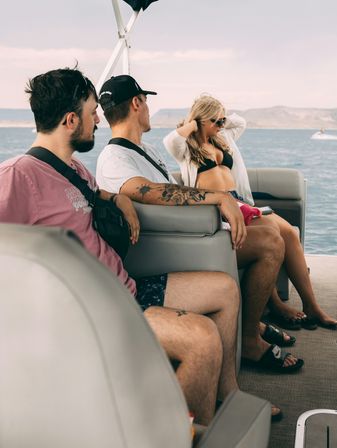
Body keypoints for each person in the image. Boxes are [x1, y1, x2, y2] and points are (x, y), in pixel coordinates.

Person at [0, 67, 252, 426]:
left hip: (125, 288)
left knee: (225, 289)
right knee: (202, 339)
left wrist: (118, 200)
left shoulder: (74, 169)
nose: (98, 119)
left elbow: (95, 195)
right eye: (91, 113)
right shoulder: (17, 177)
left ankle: (228, 396)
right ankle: (173, 435)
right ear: (71, 120)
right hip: (96, 313)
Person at [96, 74, 304, 375]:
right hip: (168, 249)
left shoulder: (145, 151)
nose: (149, 110)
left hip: (185, 236)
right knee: (271, 243)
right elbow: (147, 191)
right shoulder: (114, 157)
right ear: (137, 103)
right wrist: (218, 197)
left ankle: (251, 323)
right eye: (146, 103)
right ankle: (248, 338)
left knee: (270, 230)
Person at [163, 94, 337, 331]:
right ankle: (275, 305)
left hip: (239, 201)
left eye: (223, 121)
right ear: (201, 120)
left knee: (289, 233)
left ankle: (312, 306)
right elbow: (170, 139)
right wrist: (195, 122)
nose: (221, 125)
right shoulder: (185, 147)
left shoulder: (222, 138)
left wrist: (220, 116)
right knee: (271, 234)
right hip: (218, 208)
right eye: (216, 121)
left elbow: (241, 122)